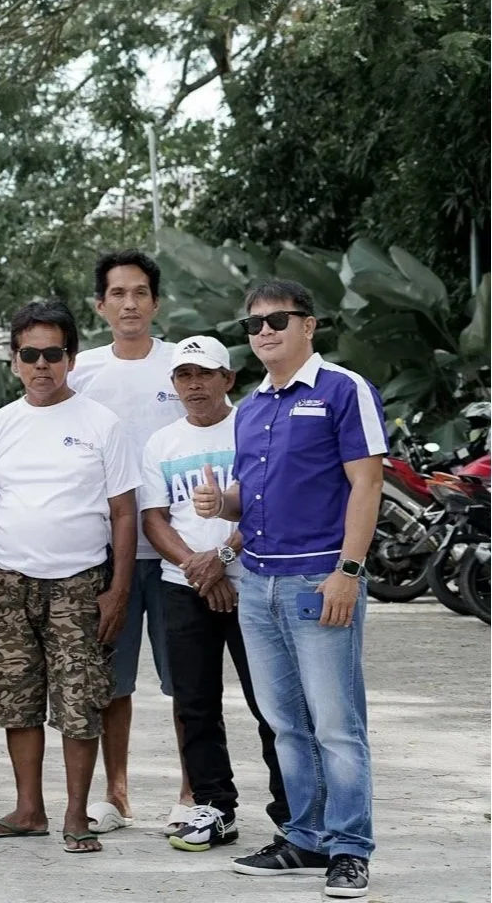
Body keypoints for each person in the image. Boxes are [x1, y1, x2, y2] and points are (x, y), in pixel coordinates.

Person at [206, 280, 383, 897]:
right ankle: (304, 837)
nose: (263, 332)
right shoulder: (251, 408)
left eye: (277, 320)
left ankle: (350, 848)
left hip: (319, 580)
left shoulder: (343, 389)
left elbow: (366, 485)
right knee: (284, 722)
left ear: (308, 325)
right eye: (253, 324)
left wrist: (349, 573)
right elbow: (252, 497)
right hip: (257, 581)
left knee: (336, 722)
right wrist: (219, 502)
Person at [0, 301, 137, 853]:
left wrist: (118, 590)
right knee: (16, 699)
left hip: (81, 584)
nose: (41, 364)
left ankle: (75, 815)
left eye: (53, 354)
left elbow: (124, 512)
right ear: (15, 361)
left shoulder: (101, 423)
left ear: (70, 358)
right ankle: (28, 810)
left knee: (79, 700)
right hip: (10, 583)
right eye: (30, 354)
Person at [139, 335, 289, 853]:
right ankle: (214, 808)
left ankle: (292, 811)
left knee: (270, 702)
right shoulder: (162, 443)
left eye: (205, 374)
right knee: (195, 703)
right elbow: (154, 518)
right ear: (174, 384)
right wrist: (196, 568)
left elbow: (268, 501)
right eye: (184, 375)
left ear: (228, 379)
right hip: (183, 588)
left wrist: (221, 559)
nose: (194, 384)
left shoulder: (252, 426)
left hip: (254, 584)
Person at [69, 249, 188, 834]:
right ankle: (115, 796)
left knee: (185, 682)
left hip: (178, 555)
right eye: (118, 293)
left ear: (156, 302)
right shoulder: (81, 370)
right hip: (104, 556)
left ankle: (194, 795)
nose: (130, 303)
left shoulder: (183, 366)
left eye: (140, 292)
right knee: (110, 685)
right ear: (101, 305)